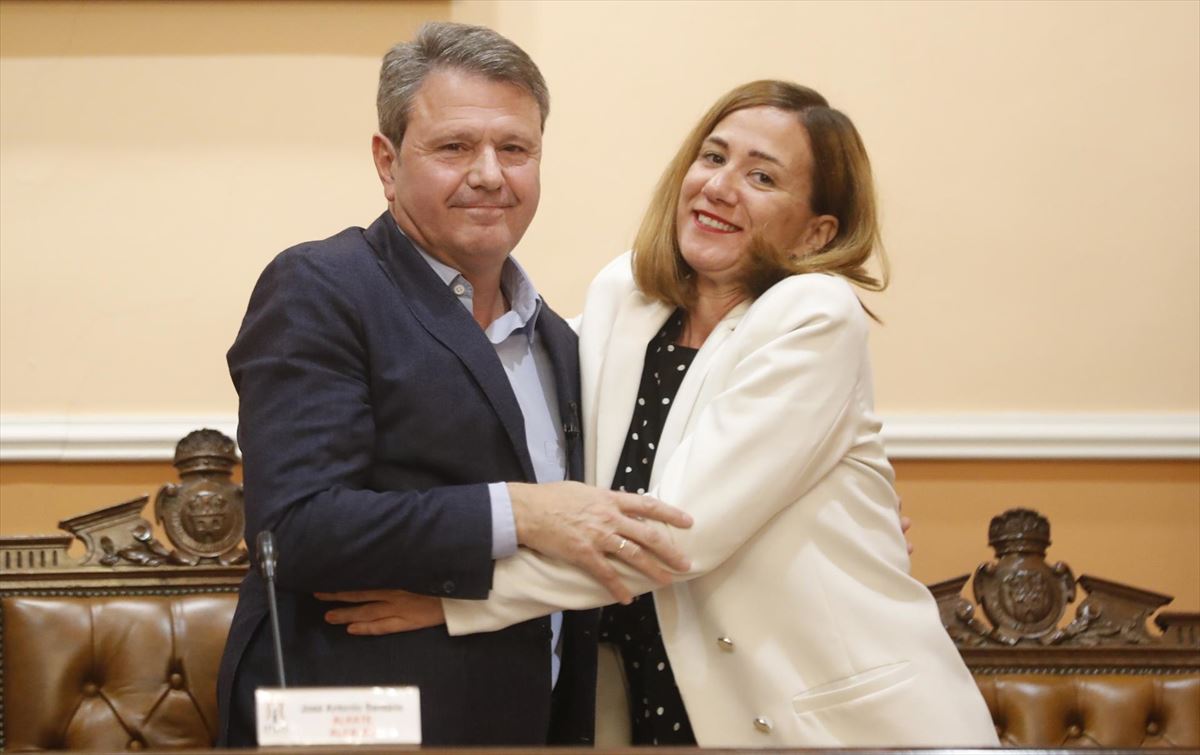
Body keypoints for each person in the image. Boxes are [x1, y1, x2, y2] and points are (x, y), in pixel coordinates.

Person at [320, 80, 1001, 747]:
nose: (720, 186)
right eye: (713, 156)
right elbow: (503, 412)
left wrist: (456, 597)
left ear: (816, 230)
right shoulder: (627, 296)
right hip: (652, 703)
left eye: (762, 178)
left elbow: (678, 535)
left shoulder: (815, 313)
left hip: (827, 720)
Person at [216, 22, 695, 747]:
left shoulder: (563, 343)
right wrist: (520, 512)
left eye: (515, 149)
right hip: (360, 721)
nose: (490, 174)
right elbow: (297, 527)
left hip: (535, 721)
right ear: (387, 161)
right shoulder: (323, 287)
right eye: (454, 147)